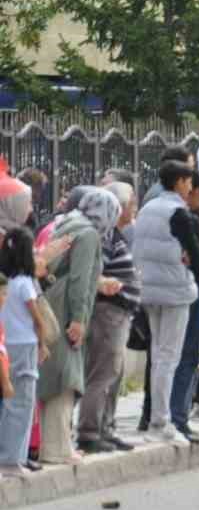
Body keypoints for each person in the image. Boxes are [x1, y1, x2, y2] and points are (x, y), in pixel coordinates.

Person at [35, 188, 119, 464]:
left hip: (52, 300)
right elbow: (79, 281)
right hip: (65, 308)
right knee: (65, 377)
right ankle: (58, 449)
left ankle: (54, 444)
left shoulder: (68, 222)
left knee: (53, 374)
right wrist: (79, 320)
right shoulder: (89, 234)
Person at [132, 162, 199, 445]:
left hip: (148, 290)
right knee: (168, 358)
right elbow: (197, 257)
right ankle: (161, 421)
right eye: (188, 182)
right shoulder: (179, 213)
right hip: (175, 291)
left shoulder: (147, 209)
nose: (190, 188)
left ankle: (155, 419)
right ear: (180, 182)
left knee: (158, 355)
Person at [78, 181, 139, 453]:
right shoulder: (102, 235)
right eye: (130, 205)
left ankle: (106, 427)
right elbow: (95, 271)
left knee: (114, 373)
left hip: (118, 312)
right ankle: (90, 432)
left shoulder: (113, 234)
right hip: (107, 312)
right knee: (103, 374)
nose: (133, 210)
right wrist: (108, 283)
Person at [168, 173, 199, 441]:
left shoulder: (161, 215)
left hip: (168, 292)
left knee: (167, 357)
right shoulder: (189, 221)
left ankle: (164, 416)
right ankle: (178, 417)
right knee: (188, 356)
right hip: (189, 293)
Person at [0, 228, 48, 478]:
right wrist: (43, 343)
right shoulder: (25, 284)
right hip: (25, 346)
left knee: (7, 403)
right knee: (23, 403)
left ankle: (7, 455)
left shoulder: (6, 283)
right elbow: (37, 318)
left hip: (7, 345)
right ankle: (11, 459)